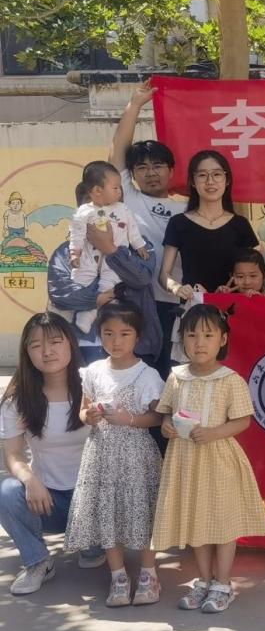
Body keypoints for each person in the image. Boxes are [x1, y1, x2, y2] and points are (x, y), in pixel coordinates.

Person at [153, 304, 265, 613]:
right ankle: (203, 580)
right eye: (192, 335)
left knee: (222, 522)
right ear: (182, 339)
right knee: (197, 520)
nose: (199, 343)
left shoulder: (231, 379)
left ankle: (223, 583)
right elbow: (166, 413)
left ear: (223, 339)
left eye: (208, 335)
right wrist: (166, 426)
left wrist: (215, 432)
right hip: (184, 460)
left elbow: (243, 420)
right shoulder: (176, 377)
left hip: (219, 461)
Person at [63, 300, 164, 607]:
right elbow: (83, 410)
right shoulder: (93, 371)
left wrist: (129, 419)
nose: (115, 341)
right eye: (108, 333)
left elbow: (159, 417)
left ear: (137, 336)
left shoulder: (147, 375)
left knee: (144, 512)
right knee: (108, 512)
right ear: (99, 334)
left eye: (124, 334)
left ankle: (148, 574)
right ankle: (118, 575)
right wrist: (89, 416)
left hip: (138, 455)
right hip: (101, 455)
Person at [0, 314, 105, 596]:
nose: (47, 351)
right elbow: (13, 454)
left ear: (70, 343)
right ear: (26, 352)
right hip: (48, 500)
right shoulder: (18, 399)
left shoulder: (93, 384)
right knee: (7, 491)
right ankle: (38, 562)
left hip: (93, 496)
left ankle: (93, 541)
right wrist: (31, 480)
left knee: (92, 555)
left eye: (55, 342)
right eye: (36, 345)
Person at [109, 80, 188, 378]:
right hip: (140, 303)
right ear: (132, 174)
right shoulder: (129, 198)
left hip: (179, 302)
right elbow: (117, 153)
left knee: (175, 378)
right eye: (142, 167)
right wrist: (134, 106)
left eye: (158, 166)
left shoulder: (190, 208)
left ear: (171, 170)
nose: (151, 173)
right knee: (141, 376)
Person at [48, 223, 161, 366]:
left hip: (133, 343)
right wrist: (97, 298)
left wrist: (111, 250)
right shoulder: (67, 251)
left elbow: (142, 278)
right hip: (84, 341)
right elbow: (60, 294)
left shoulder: (138, 245)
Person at [160, 150, 259, 304]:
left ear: (227, 180)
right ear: (193, 181)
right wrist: (176, 288)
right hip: (195, 307)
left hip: (234, 308)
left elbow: (255, 270)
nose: (210, 181)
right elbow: (164, 275)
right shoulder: (178, 223)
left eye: (217, 174)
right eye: (202, 175)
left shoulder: (241, 224)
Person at [68, 161, 149, 333]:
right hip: (89, 257)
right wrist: (75, 253)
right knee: (79, 279)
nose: (120, 191)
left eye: (120, 188)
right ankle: (72, 316)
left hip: (115, 260)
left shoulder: (123, 210)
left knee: (109, 283)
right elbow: (77, 234)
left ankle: (90, 314)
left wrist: (139, 246)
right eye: (115, 188)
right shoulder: (84, 212)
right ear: (97, 191)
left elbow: (133, 230)